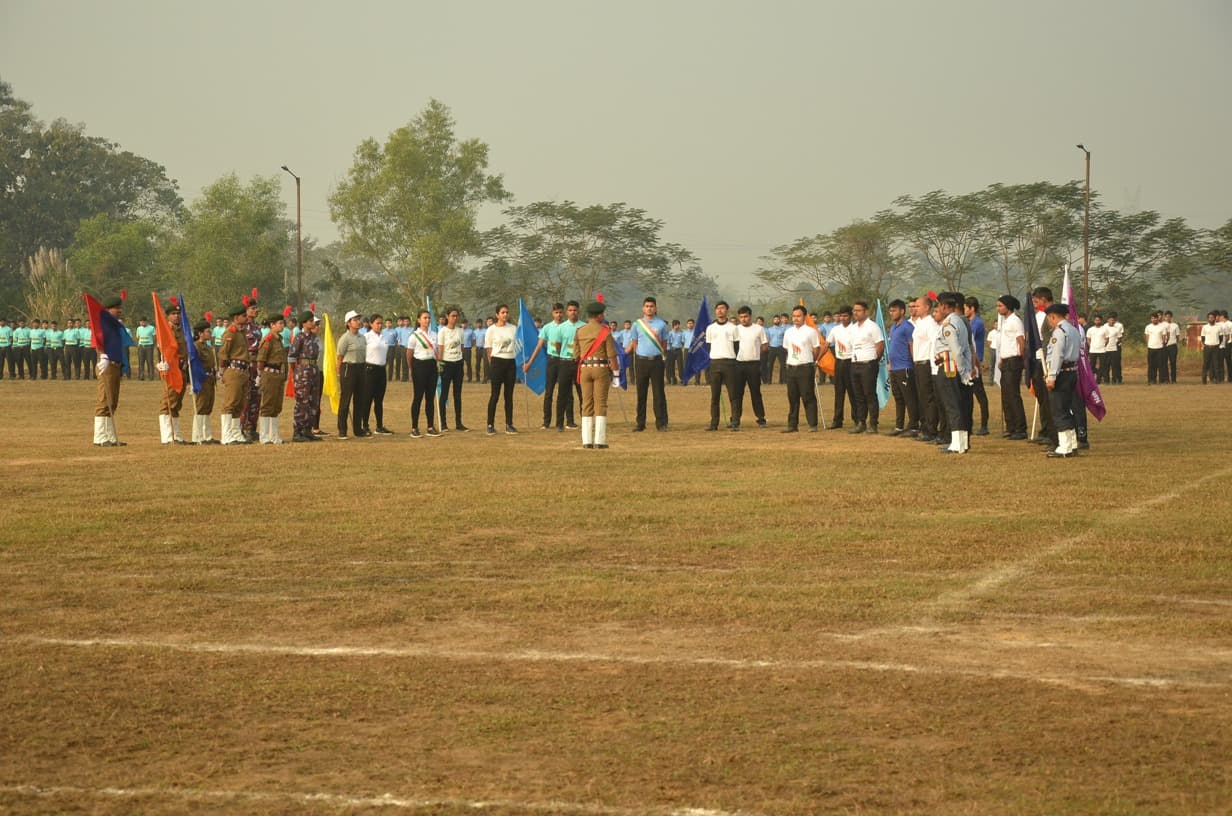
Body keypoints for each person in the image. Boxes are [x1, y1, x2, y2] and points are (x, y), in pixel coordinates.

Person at [572, 300, 620, 448]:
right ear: (599, 316)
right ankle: (600, 440)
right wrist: (616, 374)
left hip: (585, 369)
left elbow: (576, 355)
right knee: (601, 404)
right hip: (600, 368)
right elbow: (611, 355)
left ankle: (586, 441)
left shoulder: (580, 331)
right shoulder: (605, 331)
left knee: (586, 404)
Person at [932, 294, 974, 455]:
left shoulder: (949, 324)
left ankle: (956, 444)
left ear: (944, 307)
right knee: (959, 405)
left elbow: (956, 350)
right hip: (957, 367)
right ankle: (961, 443)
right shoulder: (960, 322)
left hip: (949, 367)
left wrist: (963, 372)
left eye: (938, 307)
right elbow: (967, 349)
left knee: (952, 406)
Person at [1043, 303, 1082, 458]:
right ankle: (1072, 445)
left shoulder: (1059, 332)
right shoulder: (1073, 330)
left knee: (1059, 410)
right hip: (1072, 372)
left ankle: (1064, 447)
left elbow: (1057, 355)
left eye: (1049, 319)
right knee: (1067, 409)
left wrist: (1051, 377)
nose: (1049, 322)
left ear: (1053, 316)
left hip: (1062, 373)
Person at [627, 296, 670, 431]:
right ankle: (640, 423)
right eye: (647, 306)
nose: (649, 308)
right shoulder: (637, 325)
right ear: (643, 308)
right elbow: (635, 343)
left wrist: (660, 358)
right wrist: (639, 357)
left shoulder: (662, 324)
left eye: (651, 306)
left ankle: (661, 423)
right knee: (641, 393)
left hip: (656, 361)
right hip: (641, 362)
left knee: (659, 393)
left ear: (655, 308)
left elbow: (664, 344)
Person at [523, 302, 566, 430]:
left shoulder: (567, 327)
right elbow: (539, 346)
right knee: (549, 392)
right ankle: (546, 422)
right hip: (552, 361)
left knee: (565, 393)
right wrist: (529, 362)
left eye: (560, 312)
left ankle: (563, 422)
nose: (558, 315)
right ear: (552, 313)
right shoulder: (547, 328)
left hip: (565, 361)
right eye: (556, 312)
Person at [781, 304, 821, 432]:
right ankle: (792, 425)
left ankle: (812, 424)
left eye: (798, 316)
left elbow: (816, 349)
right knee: (792, 397)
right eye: (794, 316)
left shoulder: (811, 331)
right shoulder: (788, 332)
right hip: (792, 367)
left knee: (808, 395)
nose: (796, 318)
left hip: (805, 367)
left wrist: (810, 361)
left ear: (804, 316)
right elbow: (787, 348)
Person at [156, 299, 191, 445]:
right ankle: (167, 436)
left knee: (177, 403)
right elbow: (161, 349)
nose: (176, 316)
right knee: (168, 402)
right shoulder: (166, 331)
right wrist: (160, 363)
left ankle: (176, 434)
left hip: (182, 369)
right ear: (168, 316)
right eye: (173, 314)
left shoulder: (181, 330)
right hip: (172, 368)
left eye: (178, 313)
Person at [847, 300, 885, 434]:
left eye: (858, 310)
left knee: (869, 394)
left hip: (868, 364)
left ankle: (873, 424)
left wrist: (874, 361)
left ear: (865, 311)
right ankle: (861, 422)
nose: (855, 313)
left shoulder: (872, 326)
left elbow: (880, 345)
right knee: (858, 395)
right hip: (855, 364)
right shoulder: (853, 327)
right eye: (854, 310)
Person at [217, 304, 252, 445]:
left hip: (243, 370)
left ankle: (236, 433)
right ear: (236, 318)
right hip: (234, 370)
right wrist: (221, 370)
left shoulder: (241, 331)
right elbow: (223, 353)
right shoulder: (230, 332)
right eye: (244, 316)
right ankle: (226, 435)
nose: (246, 317)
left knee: (239, 404)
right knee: (230, 403)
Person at [994, 296, 1028, 440]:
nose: (998, 308)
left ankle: (1020, 428)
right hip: (1005, 360)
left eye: (1000, 306)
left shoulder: (1015, 321)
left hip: (1014, 360)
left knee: (1013, 395)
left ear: (1008, 306)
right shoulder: (1005, 321)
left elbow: (1021, 341)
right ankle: (1011, 426)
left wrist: (1021, 358)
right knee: (1006, 395)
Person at [703, 300, 739, 431]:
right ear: (715, 311)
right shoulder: (710, 328)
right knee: (715, 396)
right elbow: (709, 345)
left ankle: (735, 421)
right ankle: (714, 423)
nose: (720, 311)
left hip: (729, 363)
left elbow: (737, 346)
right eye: (717, 308)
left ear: (727, 310)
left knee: (733, 395)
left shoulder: (733, 327)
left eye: (722, 308)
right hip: (715, 363)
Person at [733, 305, 769, 429]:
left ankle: (761, 418)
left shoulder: (758, 329)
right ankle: (735, 420)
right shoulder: (736, 329)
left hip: (754, 364)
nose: (743, 319)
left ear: (750, 316)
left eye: (746, 316)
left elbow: (765, 345)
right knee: (737, 393)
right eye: (741, 317)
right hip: (739, 364)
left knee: (756, 392)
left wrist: (757, 353)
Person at [886, 299, 918, 436]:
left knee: (909, 398)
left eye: (894, 310)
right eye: (890, 311)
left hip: (905, 367)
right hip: (894, 368)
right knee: (898, 398)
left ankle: (914, 426)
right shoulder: (893, 327)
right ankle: (899, 426)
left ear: (902, 311)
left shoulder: (908, 327)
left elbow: (912, 345)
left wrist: (914, 362)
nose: (891, 313)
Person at [484, 304, 518, 434]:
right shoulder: (491, 330)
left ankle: (509, 424)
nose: (505, 315)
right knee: (495, 395)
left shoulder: (513, 329)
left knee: (509, 396)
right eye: (502, 312)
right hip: (497, 362)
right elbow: (489, 350)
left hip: (510, 362)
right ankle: (490, 424)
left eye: (507, 312)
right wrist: (493, 364)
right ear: (497, 315)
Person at [288, 311, 322, 442]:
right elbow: (292, 356)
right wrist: (295, 372)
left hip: (313, 370)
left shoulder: (313, 338)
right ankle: (298, 431)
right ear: (304, 323)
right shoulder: (299, 337)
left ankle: (308, 430)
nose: (313, 323)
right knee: (302, 401)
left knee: (314, 401)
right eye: (310, 321)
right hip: (303, 371)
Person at [334, 309, 367, 440]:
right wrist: (338, 373)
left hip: (361, 367)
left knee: (359, 400)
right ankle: (342, 430)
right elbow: (340, 357)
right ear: (348, 323)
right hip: (348, 368)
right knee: (345, 400)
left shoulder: (362, 337)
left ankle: (358, 429)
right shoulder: (345, 338)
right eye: (355, 320)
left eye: (358, 319)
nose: (358, 322)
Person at [360, 313, 392, 436]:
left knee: (379, 400)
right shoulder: (366, 337)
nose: (380, 325)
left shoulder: (384, 337)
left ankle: (379, 426)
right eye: (377, 323)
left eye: (381, 323)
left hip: (381, 370)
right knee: (367, 399)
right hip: (369, 370)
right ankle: (365, 425)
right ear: (371, 324)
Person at [437, 307, 468, 432]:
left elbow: (462, 347)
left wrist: (461, 361)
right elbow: (440, 349)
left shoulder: (460, 331)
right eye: (452, 316)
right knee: (444, 393)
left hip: (458, 364)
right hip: (446, 364)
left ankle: (459, 422)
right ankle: (443, 423)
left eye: (456, 316)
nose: (455, 318)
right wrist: (440, 364)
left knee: (457, 394)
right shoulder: (442, 332)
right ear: (447, 316)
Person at [963, 297, 990, 435]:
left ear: (972, 308)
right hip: (969, 362)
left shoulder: (977, 323)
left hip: (975, 361)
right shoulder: (969, 322)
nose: (964, 310)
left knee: (980, 396)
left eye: (966, 308)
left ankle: (984, 425)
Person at [191, 318, 219, 444]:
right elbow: (193, 364)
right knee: (201, 407)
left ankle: (207, 435)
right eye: (207, 331)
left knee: (208, 407)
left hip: (209, 379)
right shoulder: (195, 347)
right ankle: (197, 436)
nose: (210, 333)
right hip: (201, 378)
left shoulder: (207, 347)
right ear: (200, 333)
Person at [240, 297, 263, 442]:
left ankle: (251, 428)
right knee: (246, 398)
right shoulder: (241, 327)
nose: (255, 311)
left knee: (256, 397)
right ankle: (241, 429)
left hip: (257, 363)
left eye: (256, 308)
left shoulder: (256, 326)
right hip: (246, 362)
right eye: (252, 309)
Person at [828, 306, 853, 430]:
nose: (842, 318)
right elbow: (827, 344)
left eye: (845, 316)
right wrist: (817, 358)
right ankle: (837, 420)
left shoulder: (855, 329)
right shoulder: (835, 329)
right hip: (839, 362)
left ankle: (857, 419)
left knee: (853, 392)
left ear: (850, 316)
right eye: (841, 316)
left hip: (851, 362)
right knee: (839, 393)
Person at [1144, 311, 1169, 385]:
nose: (1154, 320)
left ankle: (1162, 380)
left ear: (1158, 319)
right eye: (1152, 318)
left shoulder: (1162, 327)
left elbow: (1164, 337)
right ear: (1151, 319)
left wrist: (1163, 343)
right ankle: (1151, 380)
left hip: (1160, 348)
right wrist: (1149, 344)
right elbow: (1147, 337)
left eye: (1155, 318)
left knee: (1161, 365)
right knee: (1151, 365)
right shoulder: (1148, 327)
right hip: (1151, 348)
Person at [1200, 311, 1223, 384]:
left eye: (1212, 317)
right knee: (1206, 364)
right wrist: (1206, 344)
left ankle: (1217, 380)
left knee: (1216, 364)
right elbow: (1203, 338)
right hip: (1207, 347)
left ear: (1215, 318)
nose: (1211, 319)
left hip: (1216, 347)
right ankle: (1204, 380)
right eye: (1210, 317)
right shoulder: (1205, 327)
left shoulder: (1218, 327)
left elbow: (1221, 338)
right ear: (1208, 319)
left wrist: (1217, 344)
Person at [1086, 314, 1108, 383]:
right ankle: (1091, 379)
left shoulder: (1104, 329)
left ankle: (1098, 380)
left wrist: (1103, 345)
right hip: (1093, 350)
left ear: (1101, 321)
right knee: (1091, 366)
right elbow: (1088, 339)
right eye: (1096, 320)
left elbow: (1107, 339)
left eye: (1098, 320)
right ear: (1094, 321)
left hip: (1102, 350)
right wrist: (1091, 346)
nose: (1097, 321)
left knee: (1102, 366)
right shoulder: (1090, 329)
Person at [1103, 312, 1124, 383]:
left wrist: (1116, 343)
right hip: (1105, 349)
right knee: (1106, 366)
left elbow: (1120, 337)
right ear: (1107, 320)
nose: (1112, 321)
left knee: (1115, 366)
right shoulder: (1104, 327)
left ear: (1115, 320)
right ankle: (1106, 380)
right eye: (1110, 320)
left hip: (1114, 349)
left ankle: (1115, 379)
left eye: (1113, 320)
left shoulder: (1117, 328)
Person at [1163, 310, 1181, 383]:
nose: (1168, 318)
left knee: (1173, 362)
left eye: (1169, 317)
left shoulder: (1175, 325)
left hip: (1172, 345)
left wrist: (1174, 342)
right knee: (1164, 363)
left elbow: (1177, 336)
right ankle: (1166, 379)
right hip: (1164, 346)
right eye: (1166, 317)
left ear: (1171, 317)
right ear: (1165, 317)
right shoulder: (1162, 325)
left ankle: (1173, 379)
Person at [666, 319, 684, 385]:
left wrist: (680, 347)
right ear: (673, 326)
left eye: (678, 325)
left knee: (680, 365)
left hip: (679, 350)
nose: (678, 326)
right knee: (671, 366)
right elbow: (669, 342)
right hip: (671, 351)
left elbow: (682, 342)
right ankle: (673, 379)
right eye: (676, 325)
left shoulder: (681, 333)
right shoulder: (670, 333)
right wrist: (671, 349)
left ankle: (682, 379)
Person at [473, 318, 489, 384]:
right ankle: (477, 378)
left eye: (480, 323)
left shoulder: (486, 330)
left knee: (485, 364)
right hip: (478, 349)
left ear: (482, 323)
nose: (479, 324)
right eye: (478, 323)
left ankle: (485, 378)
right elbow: (473, 340)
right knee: (477, 364)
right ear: (476, 324)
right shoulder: (474, 332)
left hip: (484, 349)